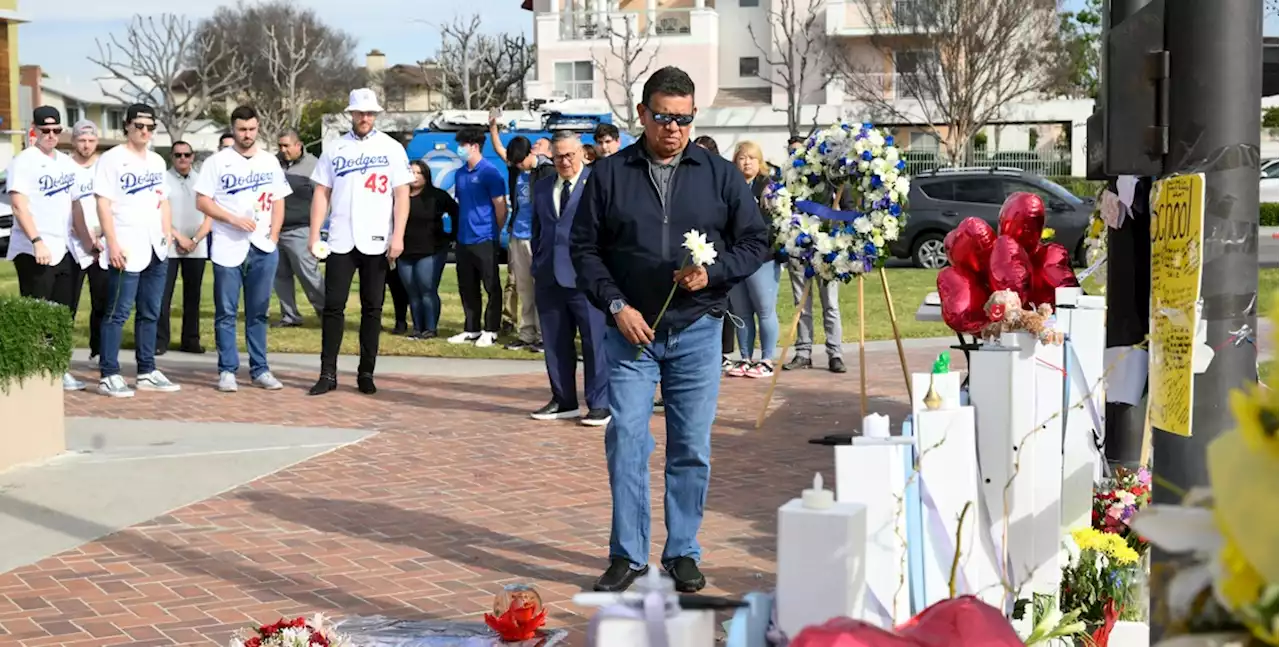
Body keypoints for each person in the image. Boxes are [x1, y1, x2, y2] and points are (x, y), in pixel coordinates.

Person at [571, 66, 769, 593]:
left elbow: (755, 241)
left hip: (697, 330)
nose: (673, 129)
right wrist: (615, 305)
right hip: (631, 333)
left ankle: (682, 550)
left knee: (690, 447)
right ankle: (629, 555)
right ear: (642, 115)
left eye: (683, 119)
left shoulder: (719, 174)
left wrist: (714, 271)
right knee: (627, 441)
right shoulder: (609, 174)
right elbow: (584, 251)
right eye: (663, 117)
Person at [307, 88, 412, 396]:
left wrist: (398, 236)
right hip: (340, 239)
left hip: (377, 240)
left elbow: (402, 194)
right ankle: (328, 373)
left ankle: (366, 372)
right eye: (359, 113)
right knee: (333, 308)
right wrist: (314, 234)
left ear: (375, 115)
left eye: (369, 113)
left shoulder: (391, 148)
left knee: (373, 308)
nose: (364, 118)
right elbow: (320, 193)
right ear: (350, 114)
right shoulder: (335, 148)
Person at [195, 105, 292, 392]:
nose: (247, 135)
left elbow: (278, 199)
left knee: (259, 311)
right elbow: (202, 201)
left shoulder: (269, 162)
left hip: (262, 246)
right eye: (241, 129)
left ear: (258, 127)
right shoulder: (217, 162)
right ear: (233, 129)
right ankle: (227, 369)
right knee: (226, 311)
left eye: (251, 129)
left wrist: (274, 234)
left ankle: (260, 369)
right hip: (228, 245)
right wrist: (232, 219)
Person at [95, 103, 182, 397]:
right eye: (139, 126)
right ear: (127, 126)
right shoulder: (111, 159)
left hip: (155, 246)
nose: (145, 131)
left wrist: (167, 232)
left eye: (150, 127)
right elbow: (103, 204)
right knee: (117, 312)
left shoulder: (157, 161)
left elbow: (164, 200)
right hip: (126, 246)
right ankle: (109, 373)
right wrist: (112, 243)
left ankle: (146, 370)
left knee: (150, 312)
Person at [530, 131, 609, 427]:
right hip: (549, 275)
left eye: (569, 155)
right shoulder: (541, 187)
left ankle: (600, 403)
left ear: (582, 154)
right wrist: (538, 261)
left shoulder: (597, 184)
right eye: (558, 155)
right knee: (555, 341)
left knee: (594, 342)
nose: (564, 161)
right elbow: (539, 229)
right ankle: (563, 400)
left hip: (586, 278)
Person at [7, 106, 85, 391]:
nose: (51, 135)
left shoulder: (65, 162)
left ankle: (58, 367)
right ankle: (35, 370)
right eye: (45, 130)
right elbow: (18, 204)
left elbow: (75, 204)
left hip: (63, 247)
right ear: (34, 130)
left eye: (56, 130)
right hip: (33, 249)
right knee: (38, 312)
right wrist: (36, 240)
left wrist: (88, 240)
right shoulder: (24, 161)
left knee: (63, 313)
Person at [446, 127, 506, 348]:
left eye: (462, 145)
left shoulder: (490, 172)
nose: (459, 149)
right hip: (464, 238)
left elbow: (500, 207)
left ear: (474, 146)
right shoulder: (460, 173)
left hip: (485, 238)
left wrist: (494, 232)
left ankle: (491, 329)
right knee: (467, 286)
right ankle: (471, 328)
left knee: (491, 286)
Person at [725, 141, 780, 378]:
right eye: (741, 157)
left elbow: (774, 223)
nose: (746, 162)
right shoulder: (730, 186)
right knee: (741, 311)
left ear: (760, 162)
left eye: (751, 158)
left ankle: (767, 358)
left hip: (762, 258)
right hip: (735, 257)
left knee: (764, 309)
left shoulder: (769, 188)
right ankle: (745, 357)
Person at [502, 136, 556, 351]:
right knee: (523, 288)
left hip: (538, 237)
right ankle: (527, 334)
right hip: (518, 234)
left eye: (520, 161)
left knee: (541, 288)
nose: (517, 166)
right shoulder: (517, 172)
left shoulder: (547, 172)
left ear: (530, 154)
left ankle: (545, 335)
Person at [157, 140, 207, 356]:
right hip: (170, 244)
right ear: (172, 157)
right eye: (178, 155)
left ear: (193, 156)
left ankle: (191, 339)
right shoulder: (163, 179)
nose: (183, 159)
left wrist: (194, 240)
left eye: (187, 155)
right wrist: (178, 237)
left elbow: (210, 214)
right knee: (163, 295)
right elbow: (158, 211)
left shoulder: (202, 181)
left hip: (197, 245)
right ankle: (160, 340)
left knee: (193, 295)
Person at [398, 160, 457, 339]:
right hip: (405, 251)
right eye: (411, 172)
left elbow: (456, 212)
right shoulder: (400, 196)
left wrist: (451, 235)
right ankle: (417, 327)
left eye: (419, 173)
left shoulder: (437, 196)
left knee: (427, 289)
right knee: (412, 291)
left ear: (426, 176)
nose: (414, 177)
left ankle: (430, 328)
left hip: (431, 250)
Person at [273, 128, 324, 328]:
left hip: (301, 229)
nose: (283, 150)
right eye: (280, 146)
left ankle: (327, 311)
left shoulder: (313, 165)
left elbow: (323, 199)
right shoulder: (272, 163)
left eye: (286, 145)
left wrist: (317, 229)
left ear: (298, 145)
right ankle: (290, 315)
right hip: (275, 230)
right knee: (280, 276)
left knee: (308, 273)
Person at [67, 120, 108, 364]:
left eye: (91, 140)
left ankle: (99, 349)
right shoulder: (66, 166)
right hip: (73, 242)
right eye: (82, 140)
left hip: (101, 242)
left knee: (102, 299)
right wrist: (82, 234)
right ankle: (61, 352)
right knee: (68, 301)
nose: (86, 145)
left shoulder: (104, 167)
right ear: (73, 141)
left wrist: (101, 232)